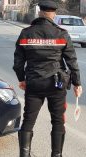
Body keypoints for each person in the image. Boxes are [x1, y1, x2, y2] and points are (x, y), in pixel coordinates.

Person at [13, 1, 83, 157]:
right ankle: (56, 155)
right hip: (56, 85)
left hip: (34, 83)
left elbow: (18, 62)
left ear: (40, 12)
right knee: (58, 121)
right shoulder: (62, 34)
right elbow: (72, 61)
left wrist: (22, 79)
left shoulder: (26, 33)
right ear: (53, 14)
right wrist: (77, 83)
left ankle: (24, 154)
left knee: (28, 121)